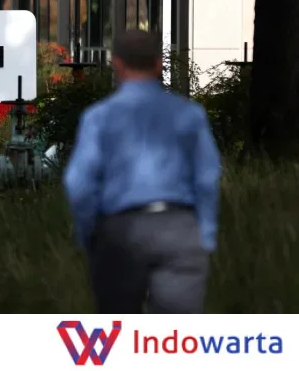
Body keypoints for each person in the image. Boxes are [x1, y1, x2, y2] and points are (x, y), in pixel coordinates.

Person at [62, 30, 221, 314]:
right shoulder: (189, 114)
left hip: (120, 232)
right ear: (159, 64)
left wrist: (89, 233)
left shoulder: (98, 117)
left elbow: (78, 183)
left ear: (116, 63)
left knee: (119, 326)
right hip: (179, 229)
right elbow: (207, 177)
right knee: (175, 333)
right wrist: (205, 233)